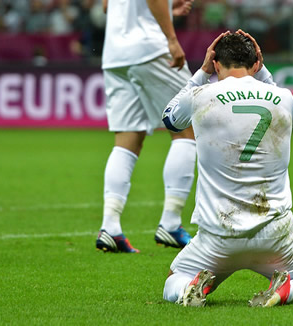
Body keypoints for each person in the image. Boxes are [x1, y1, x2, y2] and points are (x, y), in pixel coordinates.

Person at [161, 31, 293, 307]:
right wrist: (263, 68)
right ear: (256, 63)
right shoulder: (284, 98)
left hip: (218, 234)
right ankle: (286, 291)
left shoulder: (201, 95)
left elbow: (170, 120)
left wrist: (201, 72)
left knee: (174, 280)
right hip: (275, 234)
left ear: (216, 63)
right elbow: (272, 91)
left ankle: (192, 286)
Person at [95, 0, 197, 253]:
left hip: (115, 55)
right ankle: (171, 223)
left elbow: (109, 6)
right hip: (150, 49)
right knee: (188, 128)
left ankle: (110, 227)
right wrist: (171, 38)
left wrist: (167, 10)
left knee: (128, 139)